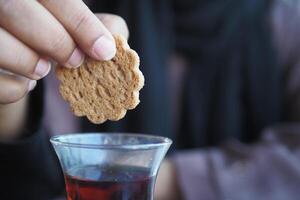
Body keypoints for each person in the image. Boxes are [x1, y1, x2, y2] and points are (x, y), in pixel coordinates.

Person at [1, 0, 300, 199]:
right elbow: (29, 180)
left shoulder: (286, 20)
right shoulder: (60, 17)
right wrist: (11, 93)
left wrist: (150, 174)